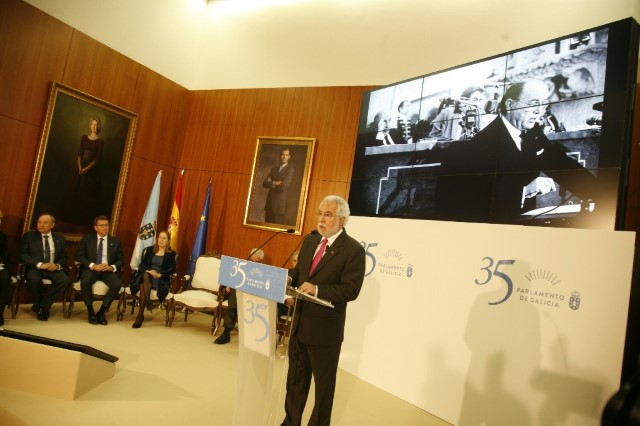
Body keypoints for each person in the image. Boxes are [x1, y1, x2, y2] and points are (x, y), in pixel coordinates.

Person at [433, 78, 602, 224]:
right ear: (511, 105)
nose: (540, 111)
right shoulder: (479, 144)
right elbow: (474, 198)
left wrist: (601, 194)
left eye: (544, 105)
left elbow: (561, 164)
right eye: (534, 104)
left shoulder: (533, 133)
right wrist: (524, 190)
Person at [280, 195, 365, 426]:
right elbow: (299, 274)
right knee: (295, 383)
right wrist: (285, 279)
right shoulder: (310, 241)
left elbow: (351, 290)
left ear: (342, 220)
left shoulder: (353, 249)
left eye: (328, 215)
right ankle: (291, 422)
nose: (321, 219)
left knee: (323, 389)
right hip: (299, 324)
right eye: (320, 213)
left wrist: (318, 290)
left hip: (325, 332)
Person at [20, 214, 71, 321]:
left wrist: (57, 265)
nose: (41, 225)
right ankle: (43, 308)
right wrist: (39, 264)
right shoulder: (29, 236)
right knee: (33, 280)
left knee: (65, 280)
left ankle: (42, 305)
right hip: (35, 268)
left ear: (52, 225)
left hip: (52, 268)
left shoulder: (59, 238)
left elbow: (64, 257)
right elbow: (23, 255)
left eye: (45, 222)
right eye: (39, 222)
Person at [75, 215, 125, 325]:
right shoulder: (87, 239)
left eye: (106, 225)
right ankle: (91, 311)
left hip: (107, 270)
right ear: (95, 227)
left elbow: (121, 259)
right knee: (85, 281)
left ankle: (102, 312)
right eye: (101, 225)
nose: (105, 228)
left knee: (116, 284)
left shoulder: (115, 241)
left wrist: (111, 267)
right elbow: (79, 256)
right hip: (91, 269)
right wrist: (93, 265)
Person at [214, 248, 265, 345]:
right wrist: (228, 284)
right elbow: (233, 278)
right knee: (234, 292)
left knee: (234, 296)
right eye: (251, 260)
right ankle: (226, 332)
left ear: (261, 261)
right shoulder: (242, 266)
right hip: (239, 295)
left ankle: (227, 332)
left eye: (256, 262)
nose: (252, 263)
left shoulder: (265, 271)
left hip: (254, 296)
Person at [130, 230, 177, 328]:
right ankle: (147, 305)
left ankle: (140, 315)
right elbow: (142, 264)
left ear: (168, 241)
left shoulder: (171, 254)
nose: (161, 240)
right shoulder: (150, 250)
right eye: (159, 237)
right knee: (145, 277)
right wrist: (148, 271)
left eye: (164, 238)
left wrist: (160, 274)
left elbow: (173, 269)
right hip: (147, 275)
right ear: (157, 239)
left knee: (143, 284)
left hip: (160, 279)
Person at [68, 117, 104, 226]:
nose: (94, 126)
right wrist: (79, 167)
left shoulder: (100, 142)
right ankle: (71, 217)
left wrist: (86, 169)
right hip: (79, 169)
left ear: (98, 127)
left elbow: (97, 160)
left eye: (96, 125)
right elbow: (79, 153)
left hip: (91, 171)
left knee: (86, 195)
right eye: (92, 124)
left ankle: (81, 220)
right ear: (90, 125)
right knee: (74, 192)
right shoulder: (84, 137)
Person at [263, 147, 295, 224]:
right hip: (269, 204)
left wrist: (271, 183)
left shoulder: (290, 170)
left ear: (289, 157)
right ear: (280, 156)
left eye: (286, 155)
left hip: (279, 206)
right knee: (265, 227)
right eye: (282, 155)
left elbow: (283, 186)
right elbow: (264, 183)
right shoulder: (274, 169)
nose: (284, 157)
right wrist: (275, 183)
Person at [0, 209, 10, 326]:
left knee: (5, 278)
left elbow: (5, 254)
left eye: (0, 219)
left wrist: (2, 261)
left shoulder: (2, 236)